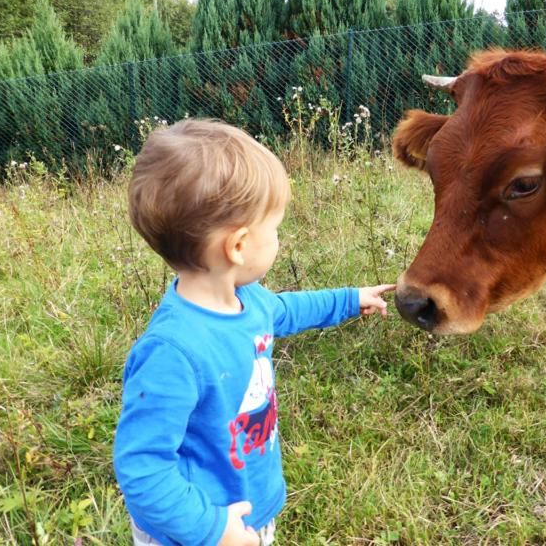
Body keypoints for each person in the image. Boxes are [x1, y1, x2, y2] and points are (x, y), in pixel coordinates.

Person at [113, 119, 395, 546]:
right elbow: (143, 469)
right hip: (195, 530)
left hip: (249, 509)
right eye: (275, 228)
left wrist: (350, 298)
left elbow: (288, 310)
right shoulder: (172, 351)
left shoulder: (250, 299)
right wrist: (213, 530)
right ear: (239, 245)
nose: (279, 238)